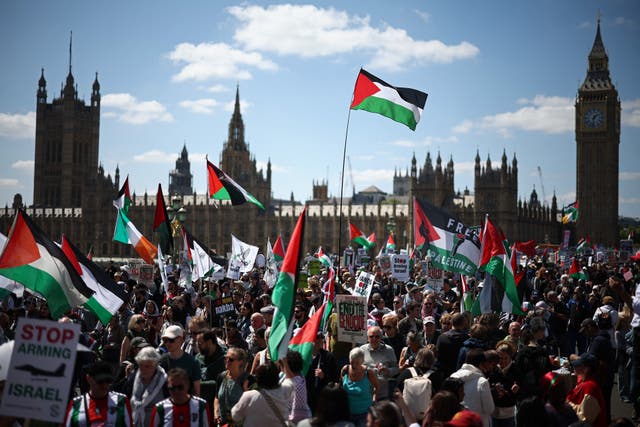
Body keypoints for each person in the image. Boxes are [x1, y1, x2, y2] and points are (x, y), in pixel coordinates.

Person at [64, 360, 133, 427]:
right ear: (88, 378)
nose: (104, 385)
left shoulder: (121, 401)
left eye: (108, 381)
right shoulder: (76, 404)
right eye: (100, 381)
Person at [231, 361, 294, 426]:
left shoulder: (248, 396)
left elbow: (235, 416)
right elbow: (290, 379)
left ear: (258, 378)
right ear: (277, 377)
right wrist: (284, 361)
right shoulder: (285, 389)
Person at [449, 349, 495, 427]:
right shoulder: (482, 382)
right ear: (481, 364)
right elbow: (489, 409)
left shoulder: (453, 377)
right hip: (477, 423)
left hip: (457, 422)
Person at [129, 347, 168, 427]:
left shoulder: (164, 382)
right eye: (141, 365)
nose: (143, 369)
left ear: (156, 365)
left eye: (147, 366)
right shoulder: (133, 379)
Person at [158, 325, 202, 396]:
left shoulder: (192, 362)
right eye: (165, 340)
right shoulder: (161, 361)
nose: (168, 343)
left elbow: (196, 391)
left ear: (181, 340)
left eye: (171, 340)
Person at [566, 353, 607, 427]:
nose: (574, 367)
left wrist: (566, 404)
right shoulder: (585, 380)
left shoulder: (590, 387)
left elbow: (584, 420)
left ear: (586, 369)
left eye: (578, 365)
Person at [214, 347, 252, 425]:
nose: (227, 361)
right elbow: (217, 397)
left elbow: (252, 404)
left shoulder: (249, 380)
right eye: (225, 358)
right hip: (223, 423)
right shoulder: (221, 377)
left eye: (231, 359)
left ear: (240, 363)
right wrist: (216, 413)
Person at [342, 347, 379, 427]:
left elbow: (377, 387)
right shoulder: (345, 370)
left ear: (362, 362)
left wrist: (374, 399)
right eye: (352, 362)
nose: (354, 365)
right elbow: (341, 385)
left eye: (357, 363)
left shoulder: (369, 373)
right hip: (347, 413)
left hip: (364, 414)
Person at [305, 331, 339, 413]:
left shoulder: (329, 357)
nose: (320, 340)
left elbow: (336, 380)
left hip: (323, 398)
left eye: (322, 337)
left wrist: (324, 376)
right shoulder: (304, 356)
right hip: (306, 398)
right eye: (317, 337)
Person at [360, 325, 398, 401]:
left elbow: (396, 369)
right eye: (371, 336)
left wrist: (388, 371)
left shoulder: (389, 350)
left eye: (377, 337)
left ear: (381, 338)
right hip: (366, 392)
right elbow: (357, 368)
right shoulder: (362, 350)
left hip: (383, 393)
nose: (374, 339)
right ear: (367, 338)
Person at [435, 313, 469, 378]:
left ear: (451, 322)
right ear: (463, 324)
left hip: (445, 374)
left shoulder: (442, 338)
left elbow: (438, 357)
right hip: (461, 374)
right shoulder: (466, 339)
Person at [284, 350, 312, 423]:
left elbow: (290, 377)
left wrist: (284, 361)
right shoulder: (302, 378)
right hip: (306, 418)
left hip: (292, 420)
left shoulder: (291, 381)